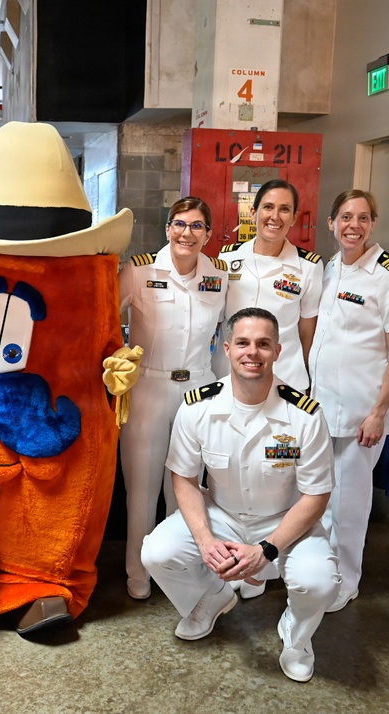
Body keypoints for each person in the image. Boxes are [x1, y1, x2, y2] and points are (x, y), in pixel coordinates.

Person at [141, 308, 339, 683]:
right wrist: (204, 541)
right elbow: (183, 477)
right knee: (156, 552)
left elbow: (316, 495)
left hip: (284, 519)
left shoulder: (305, 415)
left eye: (264, 344)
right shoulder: (198, 406)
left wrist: (267, 550)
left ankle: (296, 637)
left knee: (319, 581)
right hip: (221, 512)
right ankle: (209, 599)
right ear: (227, 349)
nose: (253, 352)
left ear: (278, 351)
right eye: (244, 343)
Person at [309, 189, 389, 612]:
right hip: (323, 405)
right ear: (331, 222)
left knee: (350, 499)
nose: (354, 225)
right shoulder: (329, 268)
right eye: (346, 217)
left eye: (364, 218)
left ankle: (346, 577)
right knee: (320, 494)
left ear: (373, 224)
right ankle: (320, 570)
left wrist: (378, 413)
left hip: (362, 410)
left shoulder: (388, 274)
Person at [118, 196, 228, 601]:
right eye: (180, 224)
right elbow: (106, 320)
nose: (187, 233)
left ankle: (174, 569)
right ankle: (138, 574)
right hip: (148, 386)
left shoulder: (219, 276)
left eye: (197, 226)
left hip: (199, 391)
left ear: (209, 234)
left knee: (185, 487)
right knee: (143, 489)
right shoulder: (140, 270)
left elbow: (226, 339)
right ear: (168, 229)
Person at [215, 179, 323, 392]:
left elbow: (308, 333)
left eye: (284, 209)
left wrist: (311, 379)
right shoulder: (227, 258)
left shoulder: (308, 266)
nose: (275, 217)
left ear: (293, 218)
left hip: (285, 377)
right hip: (228, 374)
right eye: (268, 207)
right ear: (253, 213)